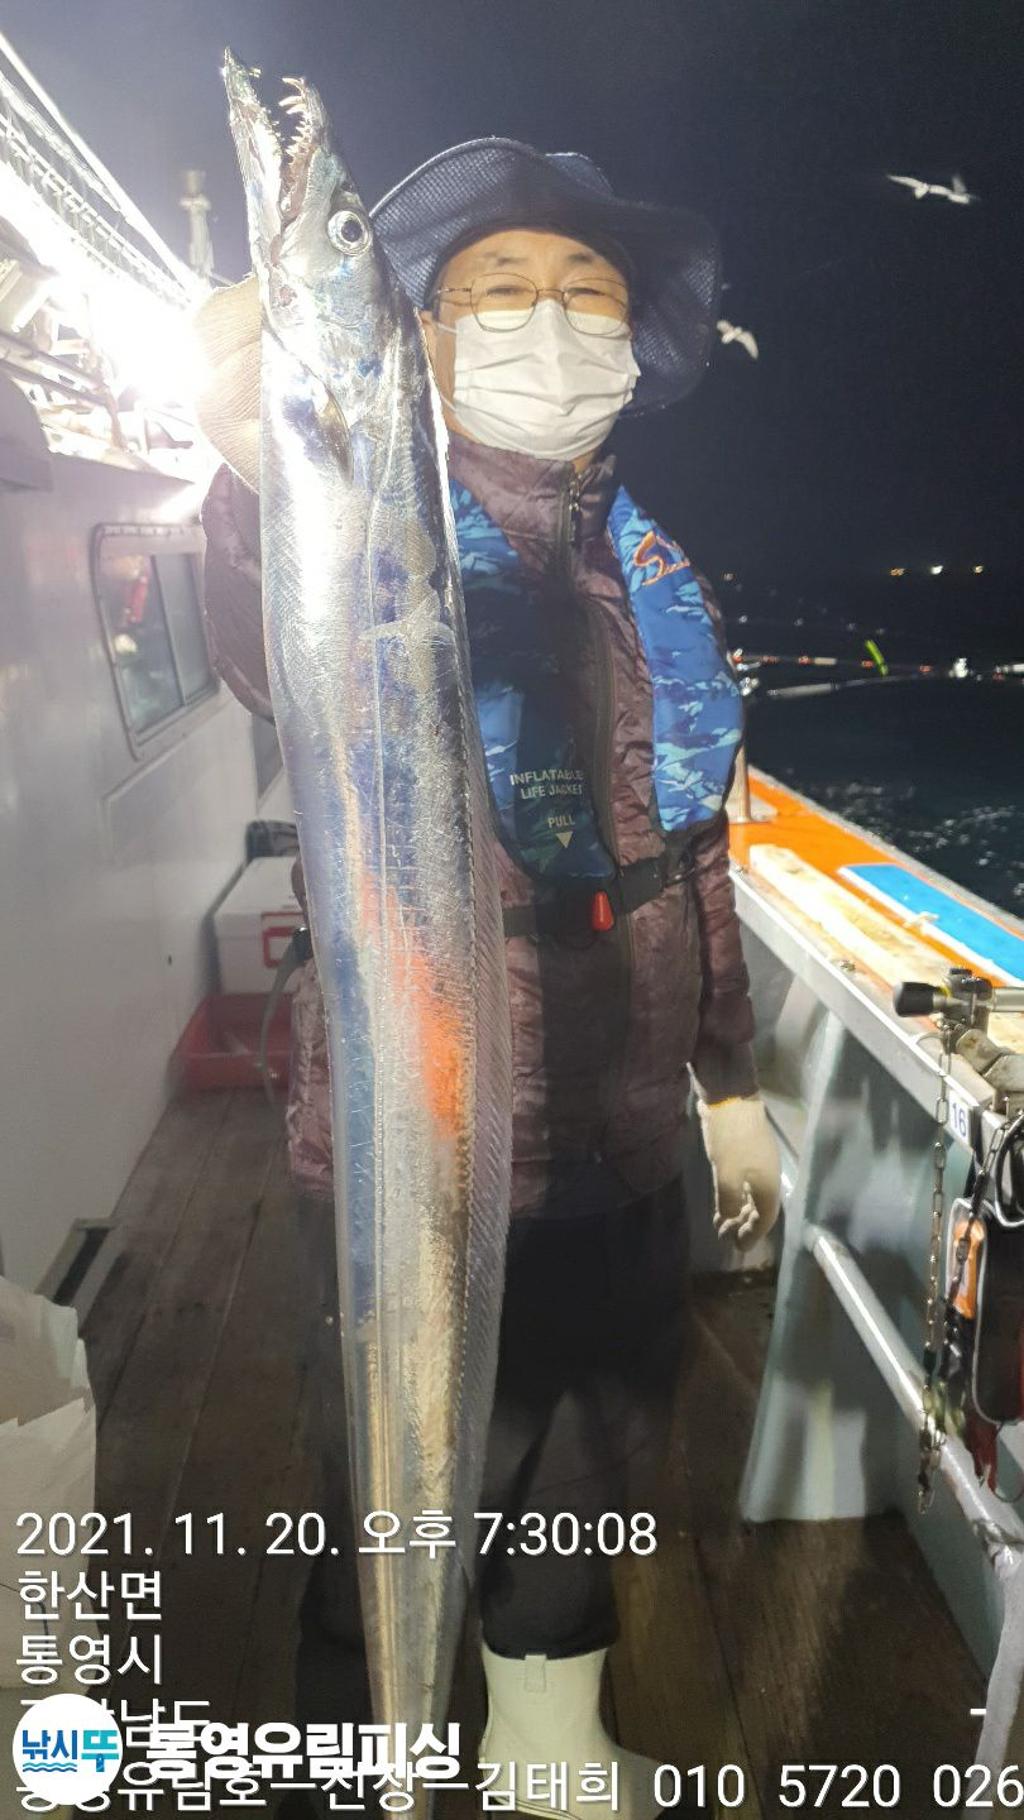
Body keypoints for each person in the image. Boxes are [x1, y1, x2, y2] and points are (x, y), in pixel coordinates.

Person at [192, 137, 781, 1820]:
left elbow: (690, 848)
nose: (551, 320)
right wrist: (256, 453)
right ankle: (361, 1756)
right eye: (499, 290)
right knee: (388, 1475)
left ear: (634, 343)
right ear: (423, 342)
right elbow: (259, 625)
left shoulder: (652, 569)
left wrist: (730, 1082)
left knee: (590, 1457)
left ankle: (545, 1754)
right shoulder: (365, 524)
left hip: (623, 1122)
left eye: (587, 293)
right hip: (422, 1121)